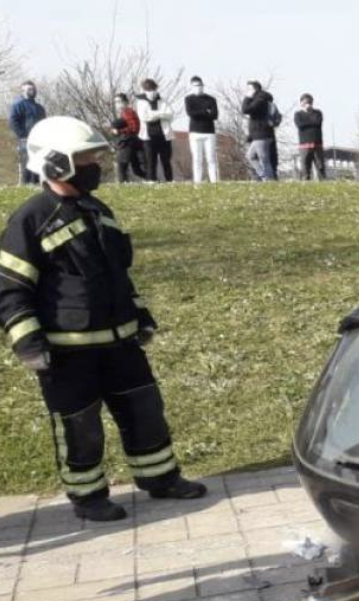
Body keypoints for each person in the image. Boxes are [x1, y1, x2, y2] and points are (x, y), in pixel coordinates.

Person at [0, 117, 207, 521]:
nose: (96, 165)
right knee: (80, 426)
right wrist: (28, 342)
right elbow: (9, 288)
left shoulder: (98, 210)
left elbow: (117, 273)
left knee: (145, 410)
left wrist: (140, 313)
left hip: (121, 344)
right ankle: (88, 495)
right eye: (86, 158)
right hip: (66, 354)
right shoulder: (30, 219)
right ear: (57, 164)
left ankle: (161, 478)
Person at [134, 79, 175, 182]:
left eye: (153, 89)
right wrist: (160, 114)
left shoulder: (162, 100)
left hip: (164, 135)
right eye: (148, 89)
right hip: (148, 136)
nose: (151, 91)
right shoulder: (140, 102)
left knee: (166, 160)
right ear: (144, 90)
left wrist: (153, 114)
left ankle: (169, 180)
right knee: (151, 160)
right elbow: (144, 117)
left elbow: (170, 114)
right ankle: (152, 180)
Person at [9, 81, 47, 185]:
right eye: (30, 89)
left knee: (39, 162)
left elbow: (44, 123)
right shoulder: (18, 105)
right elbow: (13, 122)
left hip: (40, 140)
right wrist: (22, 135)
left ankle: (37, 183)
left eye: (34, 89)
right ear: (23, 91)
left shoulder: (40, 108)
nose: (33, 91)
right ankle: (27, 184)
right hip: (25, 140)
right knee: (28, 162)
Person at [185, 76, 220, 184]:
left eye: (200, 85)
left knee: (211, 158)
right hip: (195, 132)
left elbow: (215, 115)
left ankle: (214, 180)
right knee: (197, 158)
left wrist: (201, 112)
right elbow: (191, 114)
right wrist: (206, 111)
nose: (198, 87)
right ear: (191, 86)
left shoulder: (211, 99)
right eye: (195, 85)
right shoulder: (189, 99)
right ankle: (197, 181)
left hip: (209, 132)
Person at [241, 81, 278, 181]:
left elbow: (245, 109)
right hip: (257, 134)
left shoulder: (260, 100)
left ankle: (269, 179)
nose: (247, 91)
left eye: (249, 89)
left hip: (262, 134)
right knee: (250, 156)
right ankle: (263, 175)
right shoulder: (260, 99)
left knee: (264, 159)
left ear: (254, 89)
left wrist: (247, 97)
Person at [109, 93, 147, 183]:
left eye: (119, 101)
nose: (117, 104)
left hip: (129, 142)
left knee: (122, 165)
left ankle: (123, 185)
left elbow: (135, 127)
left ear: (125, 102)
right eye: (115, 102)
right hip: (129, 141)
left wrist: (119, 131)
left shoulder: (128, 112)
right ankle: (152, 179)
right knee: (136, 169)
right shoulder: (123, 113)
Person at [295, 94, 325, 181]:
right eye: (305, 102)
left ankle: (323, 183)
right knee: (305, 168)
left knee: (320, 166)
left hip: (317, 144)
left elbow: (318, 123)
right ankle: (306, 184)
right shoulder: (298, 114)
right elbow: (300, 125)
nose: (308, 104)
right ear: (301, 103)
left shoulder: (317, 113)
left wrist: (307, 121)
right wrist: (312, 122)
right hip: (304, 145)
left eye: (309, 102)